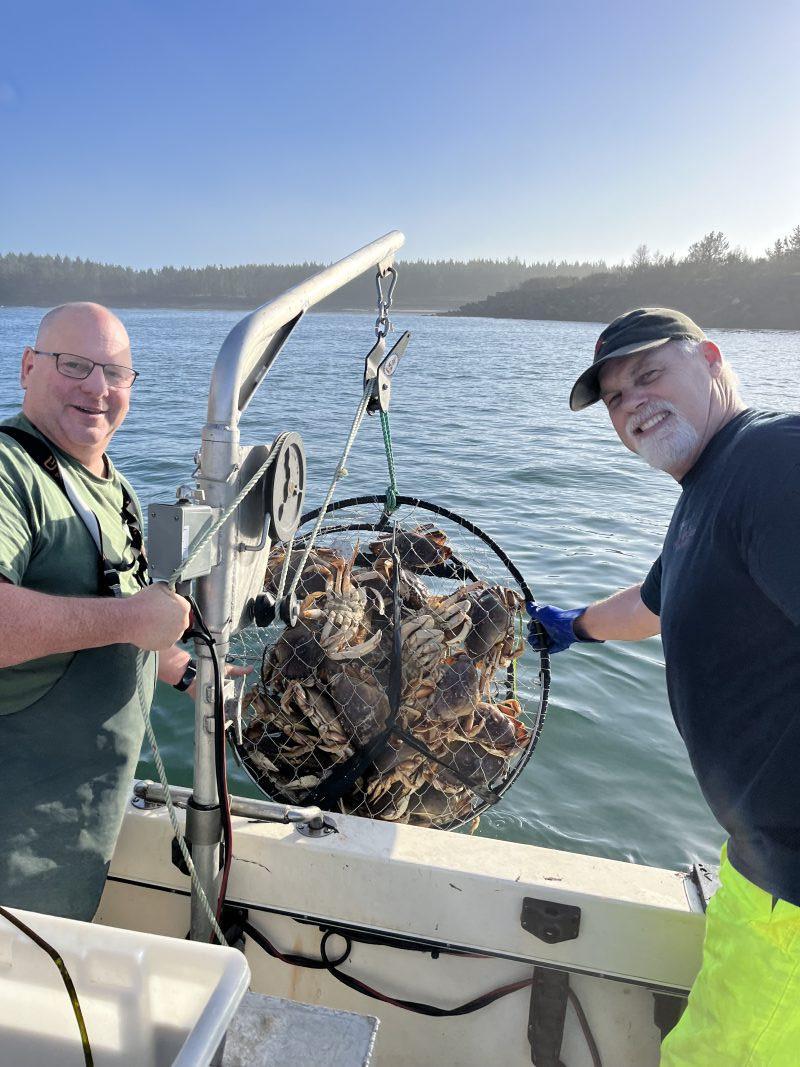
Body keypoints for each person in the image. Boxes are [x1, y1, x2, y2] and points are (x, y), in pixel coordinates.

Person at [527, 308, 800, 1065]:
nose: (633, 404)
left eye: (649, 375)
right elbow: (655, 601)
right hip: (759, 873)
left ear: (711, 358)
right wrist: (574, 626)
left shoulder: (774, 462)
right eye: (615, 398)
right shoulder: (712, 487)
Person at [0, 303, 201, 921]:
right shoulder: (9, 470)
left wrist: (183, 670)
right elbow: (122, 617)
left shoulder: (118, 488)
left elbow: (117, 608)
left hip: (79, 837)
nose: (97, 387)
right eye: (75, 365)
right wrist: (130, 622)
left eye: (115, 372)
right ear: (28, 367)